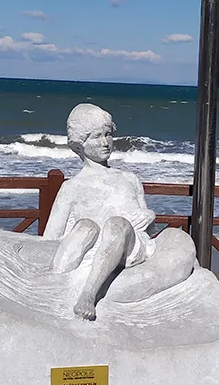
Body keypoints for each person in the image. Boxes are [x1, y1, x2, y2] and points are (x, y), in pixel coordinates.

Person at [44, 103, 196, 320]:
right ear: (79, 144)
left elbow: (149, 230)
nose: (105, 142)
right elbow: (51, 237)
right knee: (91, 225)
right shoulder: (71, 187)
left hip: (132, 247)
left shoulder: (129, 179)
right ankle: (67, 289)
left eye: (108, 134)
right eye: (97, 136)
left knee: (119, 224)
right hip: (94, 248)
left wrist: (149, 216)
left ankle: (89, 294)